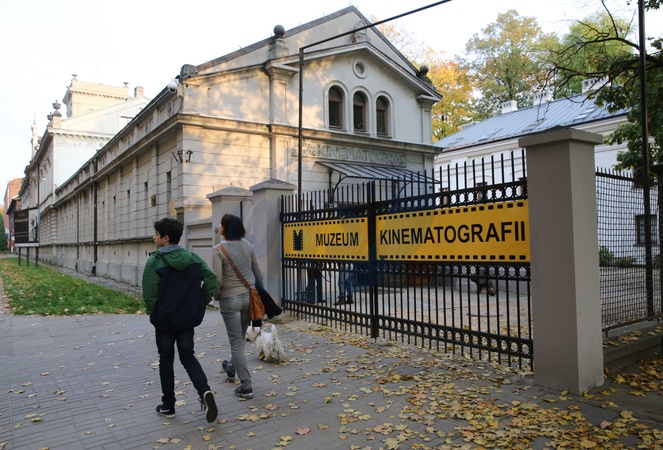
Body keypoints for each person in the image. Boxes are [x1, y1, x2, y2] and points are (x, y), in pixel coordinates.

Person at [142, 217, 218, 423]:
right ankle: (204, 391)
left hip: (164, 321)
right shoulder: (193, 258)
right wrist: (201, 301)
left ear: (166, 238)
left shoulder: (154, 262)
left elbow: (150, 294)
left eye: (156, 234)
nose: (153, 237)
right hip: (186, 319)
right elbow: (211, 280)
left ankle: (168, 406)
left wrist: (152, 312)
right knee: (188, 356)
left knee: (166, 360)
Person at [212, 214, 264, 399]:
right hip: (248, 297)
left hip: (229, 299)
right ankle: (231, 368)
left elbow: (217, 279)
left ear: (224, 228)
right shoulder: (247, 245)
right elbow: (258, 273)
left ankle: (246, 386)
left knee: (236, 342)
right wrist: (259, 294)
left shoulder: (218, 250)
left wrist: (216, 296)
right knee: (240, 339)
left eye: (221, 225)